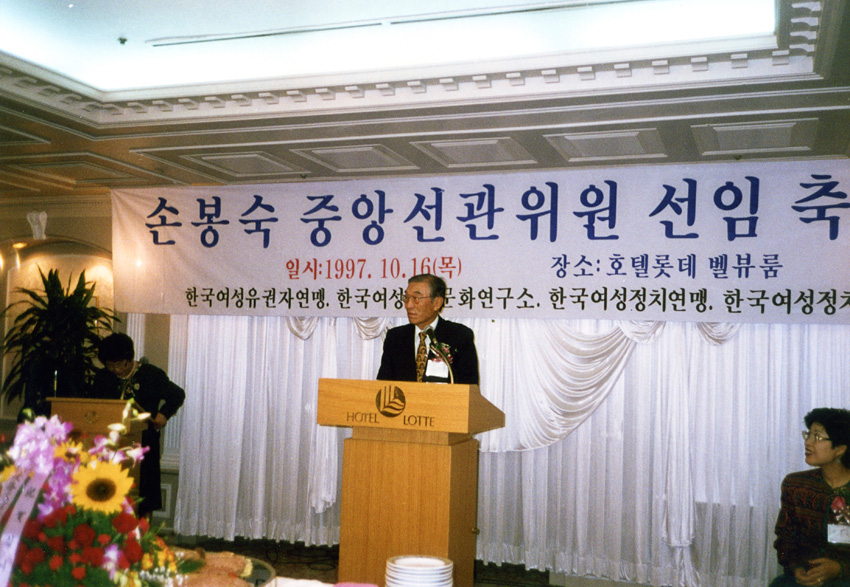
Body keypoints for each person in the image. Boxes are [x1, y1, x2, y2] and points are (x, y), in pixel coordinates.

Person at [89, 332, 185, 518]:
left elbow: (177, 394)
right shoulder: (103, 378)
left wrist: (163, 414)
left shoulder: (150, 374)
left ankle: (143, 532)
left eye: (120, 364)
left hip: (144, 443)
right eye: (111, 365)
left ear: (130, 358)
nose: (116, 370)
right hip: (112, 445)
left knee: (144, 495)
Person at [771, 408, 850, 587]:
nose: (808, 442)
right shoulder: (796, 485)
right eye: (808, 435)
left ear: (840, 449)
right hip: (802, 578)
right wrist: (796, 568)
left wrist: (839, 569)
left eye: (818, 437)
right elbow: (784, 540)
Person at [377, 273, 479, 385]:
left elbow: (468, 387)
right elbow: (383, 385)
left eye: (416, 298)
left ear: (437, 303)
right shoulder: (395, 337)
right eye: (406, 298)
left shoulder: (460, 336)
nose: (408, 305)